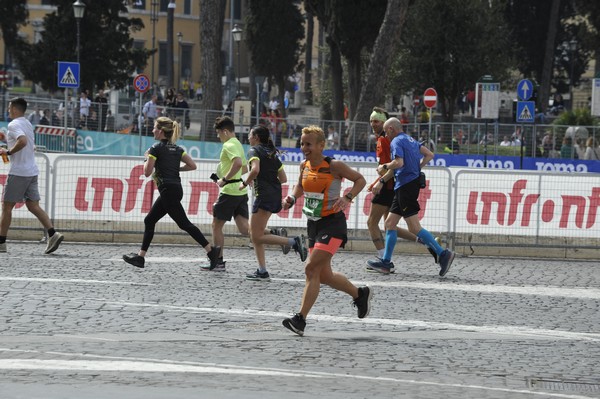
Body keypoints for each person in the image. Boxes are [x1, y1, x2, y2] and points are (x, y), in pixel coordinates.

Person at [281, 125, 372, 336]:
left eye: (309, 144)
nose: (304, 147)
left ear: (321, 145)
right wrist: (291, 198)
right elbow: (300, 186)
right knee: (325, 275)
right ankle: (359, 294)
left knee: (311, 269)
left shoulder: (334, 166)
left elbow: (360, 179)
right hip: (314, 224)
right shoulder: (304, 165)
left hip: (333, 224)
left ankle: (300, 320)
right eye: (302, 143)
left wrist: (348, 197)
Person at [122, 116, 220, 269]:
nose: (153, 130)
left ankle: (211, 252)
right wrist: (176, 169)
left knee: (184, 224)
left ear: (160, 131)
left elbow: (147, 172)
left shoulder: (155, 148)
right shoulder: (178, 149)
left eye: (155, 128)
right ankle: (140, 257)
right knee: (149, 220)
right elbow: (192, 165)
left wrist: (146, 158)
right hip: (174, 189)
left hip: (167, 191)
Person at [367, 117, 455, 277]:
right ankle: (386, 262)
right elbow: (429, 155)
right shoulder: (411, 140)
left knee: (414, 227)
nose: (386, 135)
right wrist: (416, 168)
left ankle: (443, 254)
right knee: (389, 223)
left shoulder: (396, 142)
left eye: (387, 132)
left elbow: (398, 163)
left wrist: (384, 165)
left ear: (392, 129)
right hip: (406, 185)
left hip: (405, 186)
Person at [241, 125, 308, 281]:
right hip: (274, 195)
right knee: (254, 232)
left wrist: (245, 183)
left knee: (256, 236)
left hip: (263, 196)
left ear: (256, 137)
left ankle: (294, 242)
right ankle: (262, 270)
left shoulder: (254, 150)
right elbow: (283, 178)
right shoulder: (272, 153)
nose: (249, 138)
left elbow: (255, 170)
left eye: (250, 135)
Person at [0, 97, 64, 254]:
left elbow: (22, 141)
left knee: (7, 207)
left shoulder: (13, 124)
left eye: (9, 108)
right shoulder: (27, 123)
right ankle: (53, 234)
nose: (8, 111)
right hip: (31, 171)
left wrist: (8, 152)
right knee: (33, 205)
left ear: (15, 108)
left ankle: (1, 243)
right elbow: (26, 143)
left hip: (19, 172)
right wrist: (8, 144)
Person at [202, 116, 250, 272]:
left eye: (218, 133)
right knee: (245, 229)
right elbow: (244, 169)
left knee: (216, 226)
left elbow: (237, 164)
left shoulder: (228, 145)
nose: (218, 137)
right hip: (239, 191)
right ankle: (281, 237)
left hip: (229, 191)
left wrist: (224, 178)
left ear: (225, 131)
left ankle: (218, 262)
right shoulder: (238, 144)